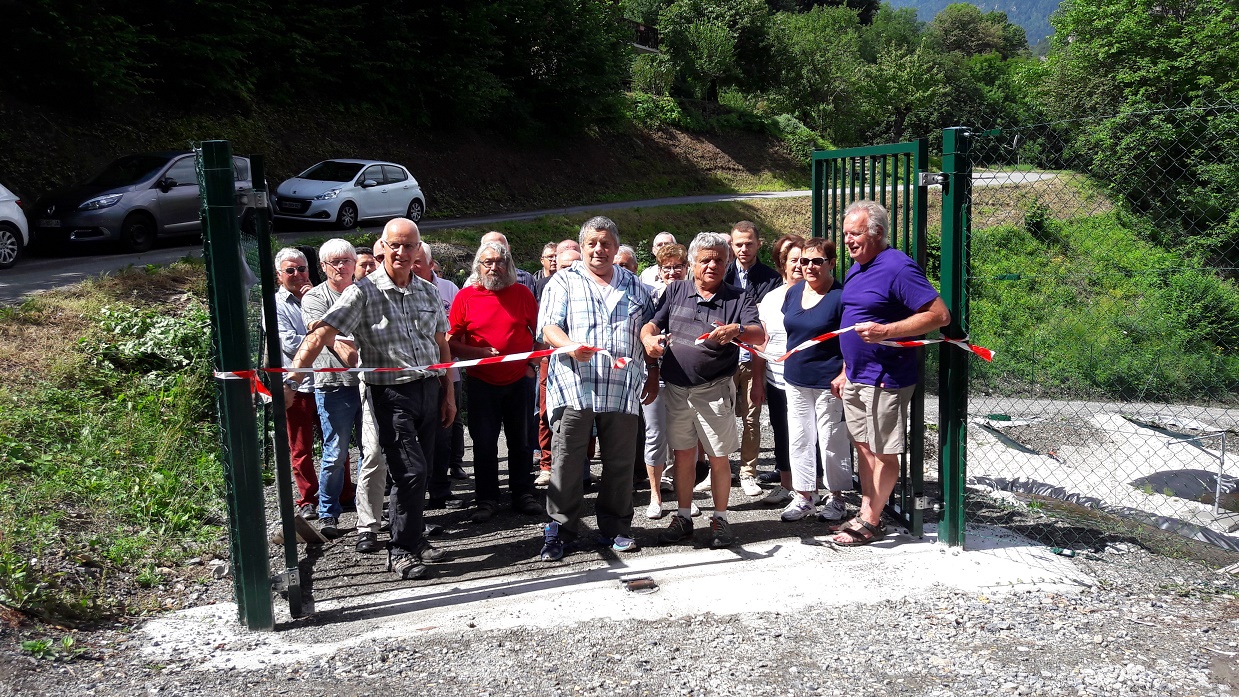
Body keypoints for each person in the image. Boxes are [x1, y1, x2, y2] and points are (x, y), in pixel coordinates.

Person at [289, 218, 456, 581]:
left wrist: (449, 394)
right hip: (391, 394)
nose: (401, 252)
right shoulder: (362, 292)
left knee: (420, 474)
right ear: (382, 247)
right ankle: (400, 550)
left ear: (418, 249)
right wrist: (293, 377)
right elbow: (321, 334)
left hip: (429, 390)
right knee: (410, 472)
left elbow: (441, 347)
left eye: (408, 246)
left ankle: (414, 536)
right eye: (394, 245)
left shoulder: (428, 291)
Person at [829, 200, 949, 546]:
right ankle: (869, 511)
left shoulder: (898, 267)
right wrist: (844, 369)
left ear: (877, 232)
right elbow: (852, 319)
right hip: (855, 376)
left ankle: (869, 520)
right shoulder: (857, 267)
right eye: (846, 235)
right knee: (864, 447)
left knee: (884, 452)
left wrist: (887, 331)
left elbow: (939, 316)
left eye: (854, 234)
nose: (848, 242)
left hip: (886, 378)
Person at [538, 216, 657, 560]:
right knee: (567, 462)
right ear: (583, 247)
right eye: (592, 243)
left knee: (620, 463)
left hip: (622, 387)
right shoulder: (563, 282)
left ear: (616, 248)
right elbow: (548, 328)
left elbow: (647, 333)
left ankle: (616, 529)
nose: (599, 250)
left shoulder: (636, 287)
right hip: (575, 386)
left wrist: (651, 371)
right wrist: (570, 344)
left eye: (606, 243)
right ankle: (560, 531)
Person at [640, 232, 764, 548]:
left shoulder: (739, 296)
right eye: (705, 260)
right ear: (693, 263)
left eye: (719, 260)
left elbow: (758, 334)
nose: (712, 265)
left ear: (728, 263)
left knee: (718, 457)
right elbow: (652, 325)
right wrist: (649, 339)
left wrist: (736, 330)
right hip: (677, 390)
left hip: (715, 391)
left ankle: (721, 520)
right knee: (683, 457)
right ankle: (683, 517)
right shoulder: (676, 290)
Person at [448, 240, 546, 522]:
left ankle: (522, 493)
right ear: (478, 266)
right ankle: (487, 499)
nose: (494, 267)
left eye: (499, 262)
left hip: (519, 380)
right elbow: (450, 343)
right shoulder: (465, 297)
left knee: (521, 440)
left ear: (508, 265)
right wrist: (476, 353)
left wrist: (530, 365)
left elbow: (539, 333)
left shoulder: (523, 294)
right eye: (487, 262)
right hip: (482, 382)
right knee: (484, 442)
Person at [779, 237, 851, 523]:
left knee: (831, 440)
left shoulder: (841, 296)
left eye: (817, 261)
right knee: (799, 438)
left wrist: (845, 373)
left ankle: (837, 497)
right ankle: (805, 496)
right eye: (804, 261)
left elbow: (851, 339)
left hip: (828, 381)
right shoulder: (793, 292)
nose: (808, 266)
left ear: (831, 263)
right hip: (795, 379)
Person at [299, 239, 362, 539]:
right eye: (334, 261)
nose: (341, 266)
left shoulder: (366, 290)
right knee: (335, 452)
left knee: (371, 450)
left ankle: (368, 509)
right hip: (333, 385)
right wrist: (346, 347)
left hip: (368, 383)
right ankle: (328, 512)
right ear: (322, 267)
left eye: (346, 260)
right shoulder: (313, 297)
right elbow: (322, 333)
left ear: (354, 263)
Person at [639, 242, 700, 520]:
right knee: (654, 436)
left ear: (687, 268)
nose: (673, 272)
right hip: (652, 374)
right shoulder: (649, 298)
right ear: (659, 271)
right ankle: (655, 495)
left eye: (678, 266)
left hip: (684, 376)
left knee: (684, 438)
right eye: (667, 268)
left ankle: (685, 495)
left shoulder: (694, 296)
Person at [722, 221, 782, 497]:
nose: (743, 249)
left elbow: (765, 318)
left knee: (750, 417)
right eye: (738, 244)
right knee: (718, 416)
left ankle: (748, 472)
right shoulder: (722, 274)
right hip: (724, 357)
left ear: (759, 244)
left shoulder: (771, 278)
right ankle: (718, 470)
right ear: (731, 246)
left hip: (752, 357)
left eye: (749, 243)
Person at [411, 242, 467, 508]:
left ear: (431, 264)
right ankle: (414, 496)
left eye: (418, 261)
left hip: (445, 372)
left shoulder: (448, 289)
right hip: (412, 378)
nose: (413, 266)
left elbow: (453, 332)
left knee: (443, 436)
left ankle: (440, 491)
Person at [754, 235, 804, 506]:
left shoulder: (819, 294)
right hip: (776, 379)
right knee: (781, 431)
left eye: (802, 261)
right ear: (782, 265)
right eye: (792, 260)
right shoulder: (771, 299)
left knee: (812, 434)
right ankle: (786, 484)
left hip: (811, 380)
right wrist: (759, 382)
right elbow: (762, 341)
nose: (797, 266)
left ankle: (813, 486)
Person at [273, 248, 321, 521]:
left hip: (326, 381)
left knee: (334, 444)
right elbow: (289, 343)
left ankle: (340, 493)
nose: (297, 274)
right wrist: (322, 338)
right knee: (300, 447)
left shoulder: (319, 296)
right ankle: (308, 498)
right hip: (296, 384)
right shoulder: (275, 304)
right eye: (290, 270)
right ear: (279, 275)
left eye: (302, 269)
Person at [534, 247, 582, 487]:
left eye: (576, 265)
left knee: (583, 418)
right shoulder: (545, 285)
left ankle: (581, 470)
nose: (570, 271)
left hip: (584, 363)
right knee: (547, 414)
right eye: (564, 267)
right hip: (550, 359)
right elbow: (544, 328)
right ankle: (547, 465)